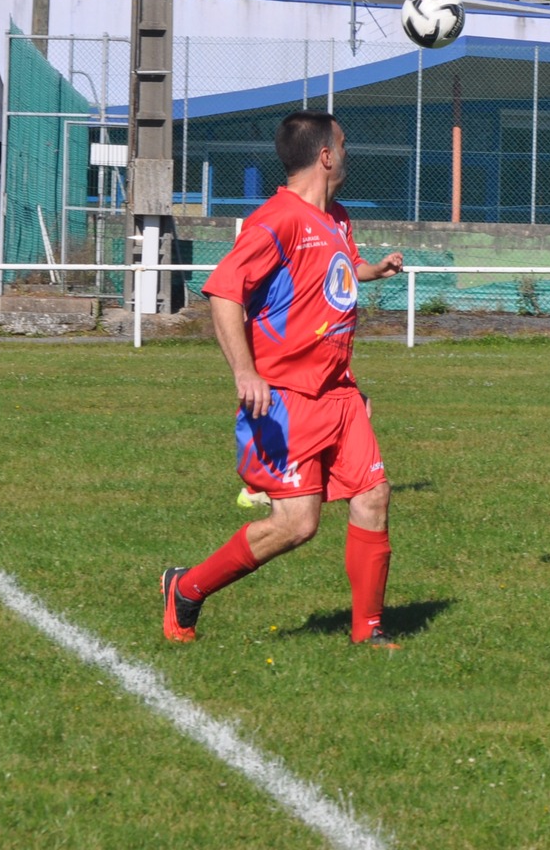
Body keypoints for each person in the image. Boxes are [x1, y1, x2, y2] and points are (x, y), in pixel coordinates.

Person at [161, 111, 406, 646]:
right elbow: (225, 290)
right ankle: (187, 588)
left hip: (338, 390)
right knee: (297, 524)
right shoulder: (277, 219)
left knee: (374, 495)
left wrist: (371, 271)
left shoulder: (336, 218)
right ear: (325, 156)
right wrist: (244, 371)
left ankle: (369, 632)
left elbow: (335, 270)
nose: (348, 151)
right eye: (343, 142)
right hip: (287, 400)